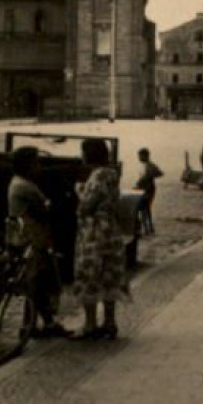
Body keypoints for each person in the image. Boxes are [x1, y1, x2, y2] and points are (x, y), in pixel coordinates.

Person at [72, 137, 129, 340]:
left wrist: (78, 191)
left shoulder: (96, 176)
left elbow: (87, 206)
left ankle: (90, 325)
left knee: (89, 274)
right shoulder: (112, 174)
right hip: (111, 231)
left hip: (94, 232)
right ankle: (110, 322)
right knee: (108, 275)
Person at [7, 146, 67, 338]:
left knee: (39, 283)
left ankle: (46, 323)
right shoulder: (26, 187)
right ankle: (28, 326)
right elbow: (45, 208)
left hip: (29, 239)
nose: (39, 167)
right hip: (33, 240)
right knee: (35, 284)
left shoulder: (19, 183)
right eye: (36, 163)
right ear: (28, 165)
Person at [134, 147, 165, 236]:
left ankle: (146, 229)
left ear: (145, 156)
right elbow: (160, 173)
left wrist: (149, 176)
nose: (139, 158)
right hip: (147, 189)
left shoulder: (149, 166)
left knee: (143, 209)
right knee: (146, 209)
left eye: (140, 156)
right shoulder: (147, 165)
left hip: (147, 189)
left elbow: (160, 173)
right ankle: (149, 228)